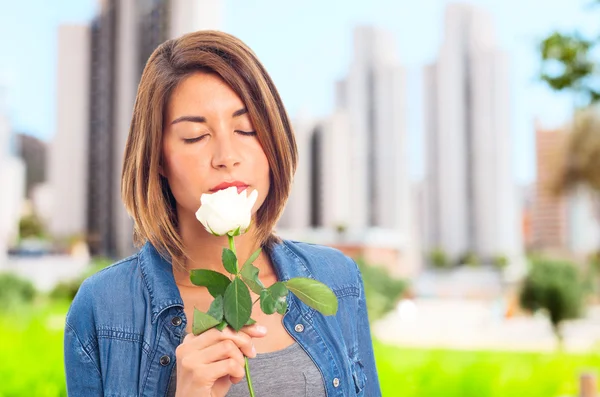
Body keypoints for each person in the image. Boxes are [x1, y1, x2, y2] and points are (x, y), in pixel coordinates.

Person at [64, 30, 381, 397]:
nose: (227, 156)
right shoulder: (104, 307)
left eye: (245, 129)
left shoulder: (337, 279)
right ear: (158, 158)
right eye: (196, 136)